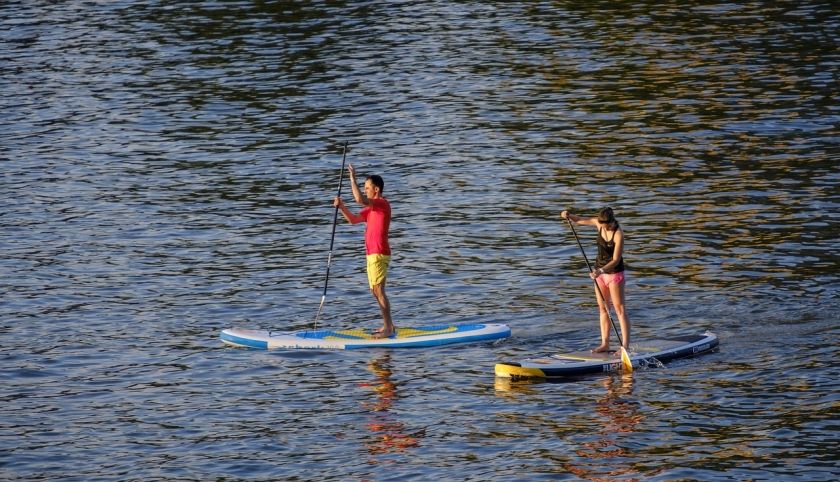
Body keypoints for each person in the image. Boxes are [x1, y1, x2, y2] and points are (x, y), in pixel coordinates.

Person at [334, 165, 395, 338]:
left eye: (367, 188)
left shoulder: (382, 204)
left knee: (378, 290)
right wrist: (342, 207)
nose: (365, 191)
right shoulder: (371, 209)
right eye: (364, 188)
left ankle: (389, 328)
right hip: (371, 254)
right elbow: (353, 220)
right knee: (375, 290)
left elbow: (359, 199)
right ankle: (389, 325)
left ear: (376, 190)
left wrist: (352, 179)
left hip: (379, 252)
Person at [560, 207, 630, 352]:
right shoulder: (598, 223)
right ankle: (605, 344)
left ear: (612, 221)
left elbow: (616, 259)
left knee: (619, 310)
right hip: (599, 274)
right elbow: (579, 220)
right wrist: (568, 215)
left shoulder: (618, 234)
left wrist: (601, 270)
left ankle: (625, 346)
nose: (606, 228)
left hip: (614, 274)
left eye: (608, 226)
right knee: (603, 308)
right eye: (603, 226)